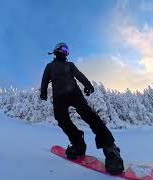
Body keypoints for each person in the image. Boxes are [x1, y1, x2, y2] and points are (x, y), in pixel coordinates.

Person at [40, 42, 124, 175]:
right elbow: (44, 80)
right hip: (59, 98)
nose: (66, 52)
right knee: (62, 120)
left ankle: (110, 150)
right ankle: (78, 143)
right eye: (63, 49)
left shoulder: (70, 65)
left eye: (67, 50)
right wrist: (43, 92)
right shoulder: (50, 66)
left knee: (90, 116)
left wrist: (87, 84)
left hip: (74, 94)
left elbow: (79, 75)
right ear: (56, 50)